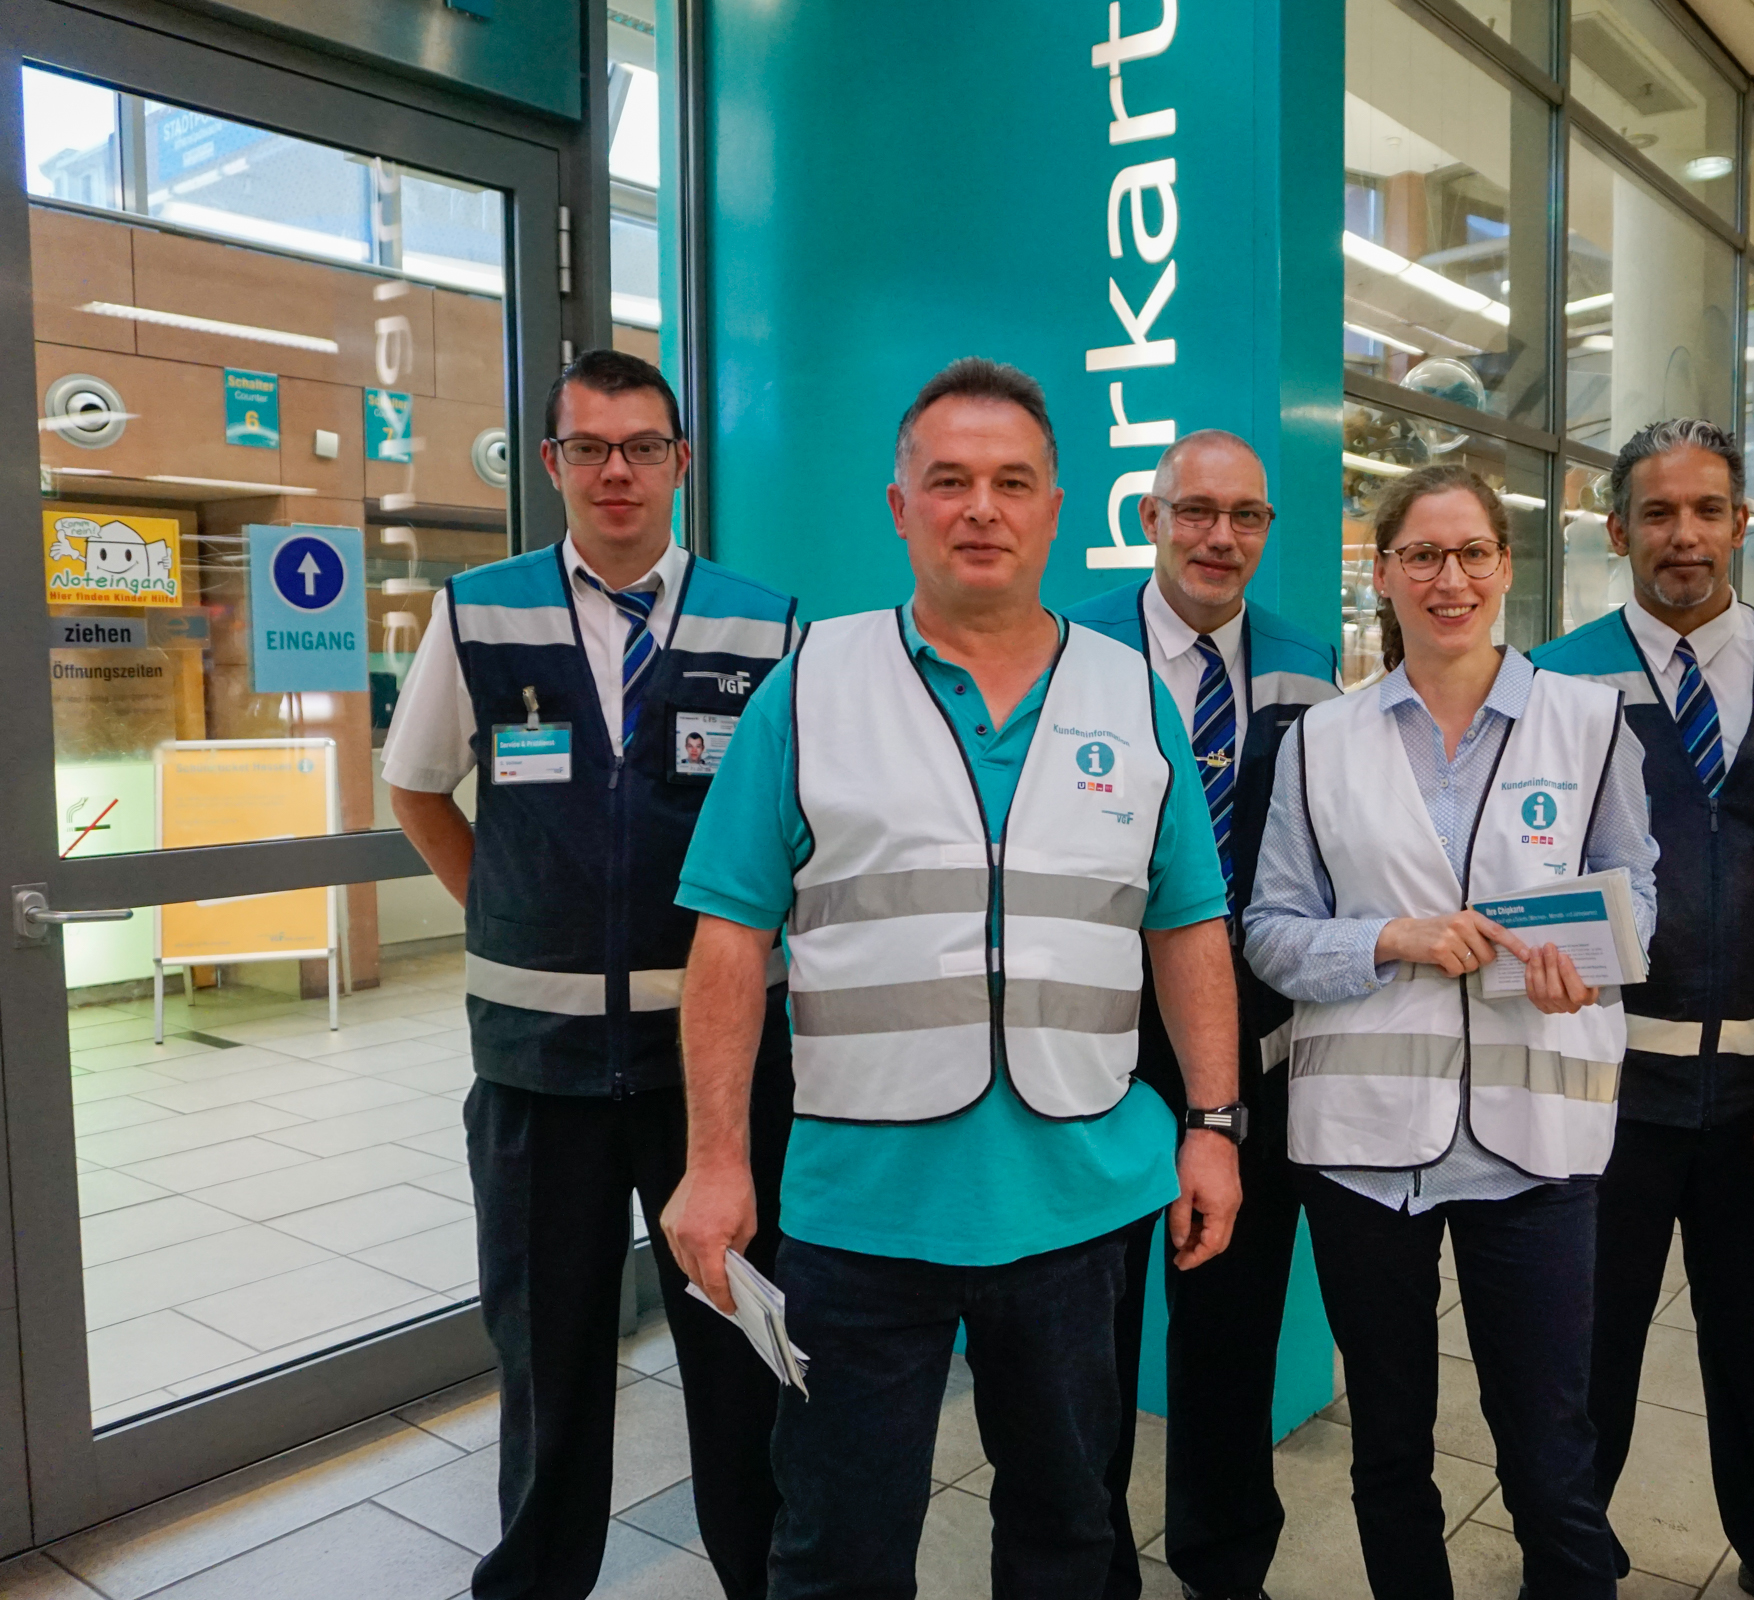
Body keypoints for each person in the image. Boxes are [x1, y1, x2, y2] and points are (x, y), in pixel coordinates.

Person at [659, 358, 1245, 1600]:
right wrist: (715, 1160)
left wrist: (1213, 1123)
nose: (981, 507)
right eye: (950, 481)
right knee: (836, 1550)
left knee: (1069, 1538)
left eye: (1012, 482)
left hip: (1076, 1209)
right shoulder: (811, 687)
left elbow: (1187, 925)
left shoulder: (1131, 698)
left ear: (1055, 506)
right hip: (859, 1217)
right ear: (899, 506)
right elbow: (724, 939)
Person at [383, 348, 799, 1600]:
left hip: (711, 1080)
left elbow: (800, 830)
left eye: (644, 446)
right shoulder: (479, 611)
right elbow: (415, 786)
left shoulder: (767, 625)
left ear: (681, 461)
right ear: (554, 462)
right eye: (590, 448)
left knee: (741, 1367)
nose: (618, 472)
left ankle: (766, 1580)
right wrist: (507, 908)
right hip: (535, 1074)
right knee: (549, 1367)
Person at [1247, 462, 1659, 1600]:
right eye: (1421, 555)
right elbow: (1272, 931)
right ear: (1380, 573)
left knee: (1549, 1452)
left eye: (1474, 552)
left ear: (1507, 567)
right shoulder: (1321, 740)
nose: (1449, 578)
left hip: (1539, 1145)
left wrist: (1598, 962)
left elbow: (1638, 892)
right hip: (1365, 1153)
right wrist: (1390, 941)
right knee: (1390, 1446)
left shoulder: (1586, 722)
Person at [1531, 418, 1754, 1600]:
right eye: (1660, 513)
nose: (1685, 536)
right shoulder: (1556, 677)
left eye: (1709, 510)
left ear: (1743, 524)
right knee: (1587, 1345)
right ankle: (1572, 1556)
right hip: (1606, 1085)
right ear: (1618, 529)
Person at [1065, 430, 1339, 1600]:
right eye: (1196, 512)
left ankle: (1224, 1564)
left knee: (1229, 1333)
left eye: (1245, 517)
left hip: (1254, 1058)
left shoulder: (1303, 663)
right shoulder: (1073, 649)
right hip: (1098, 1062)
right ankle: (1092, 1564)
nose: (1220, 537)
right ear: (1152, 519)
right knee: (1093, 1340)